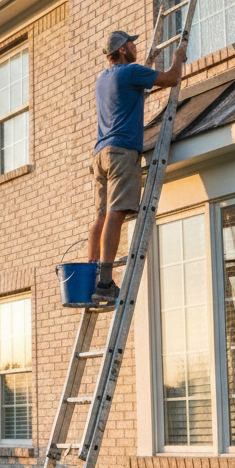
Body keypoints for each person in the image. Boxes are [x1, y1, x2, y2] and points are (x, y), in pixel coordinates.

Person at [90, 29, 186, 302]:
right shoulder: (130, 72)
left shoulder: (103, 79)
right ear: (122, 50)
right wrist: (178, 57)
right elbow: (171, 78)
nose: (135, 46)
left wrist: (148, 61)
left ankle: (93, 278)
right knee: (116, 214)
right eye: (132, 44)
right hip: (121, 152)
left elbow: (131, 92)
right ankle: (106, 284)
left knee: (100, 217)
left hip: (100, 155)